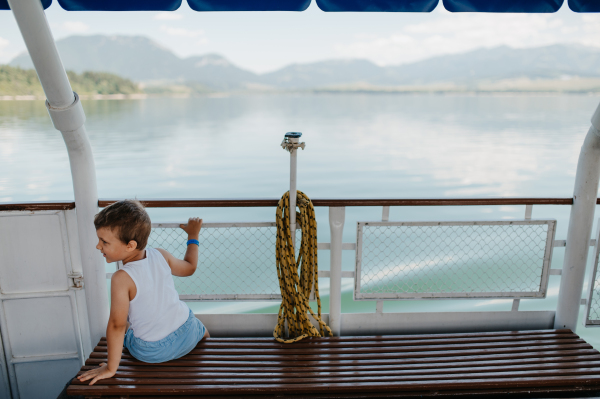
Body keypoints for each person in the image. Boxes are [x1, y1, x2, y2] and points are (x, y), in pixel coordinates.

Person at [77, 199, 209, 386]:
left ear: (130, 245)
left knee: (128, 333)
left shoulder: (122, 278)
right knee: (195, 323)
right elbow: (190, 267)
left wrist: (110, 368)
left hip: (152, 352)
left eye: (104, 242)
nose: (98, 246)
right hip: (188, 332)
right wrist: (193, 236)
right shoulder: (161, 255)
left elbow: (117, 325)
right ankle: (206, 345)